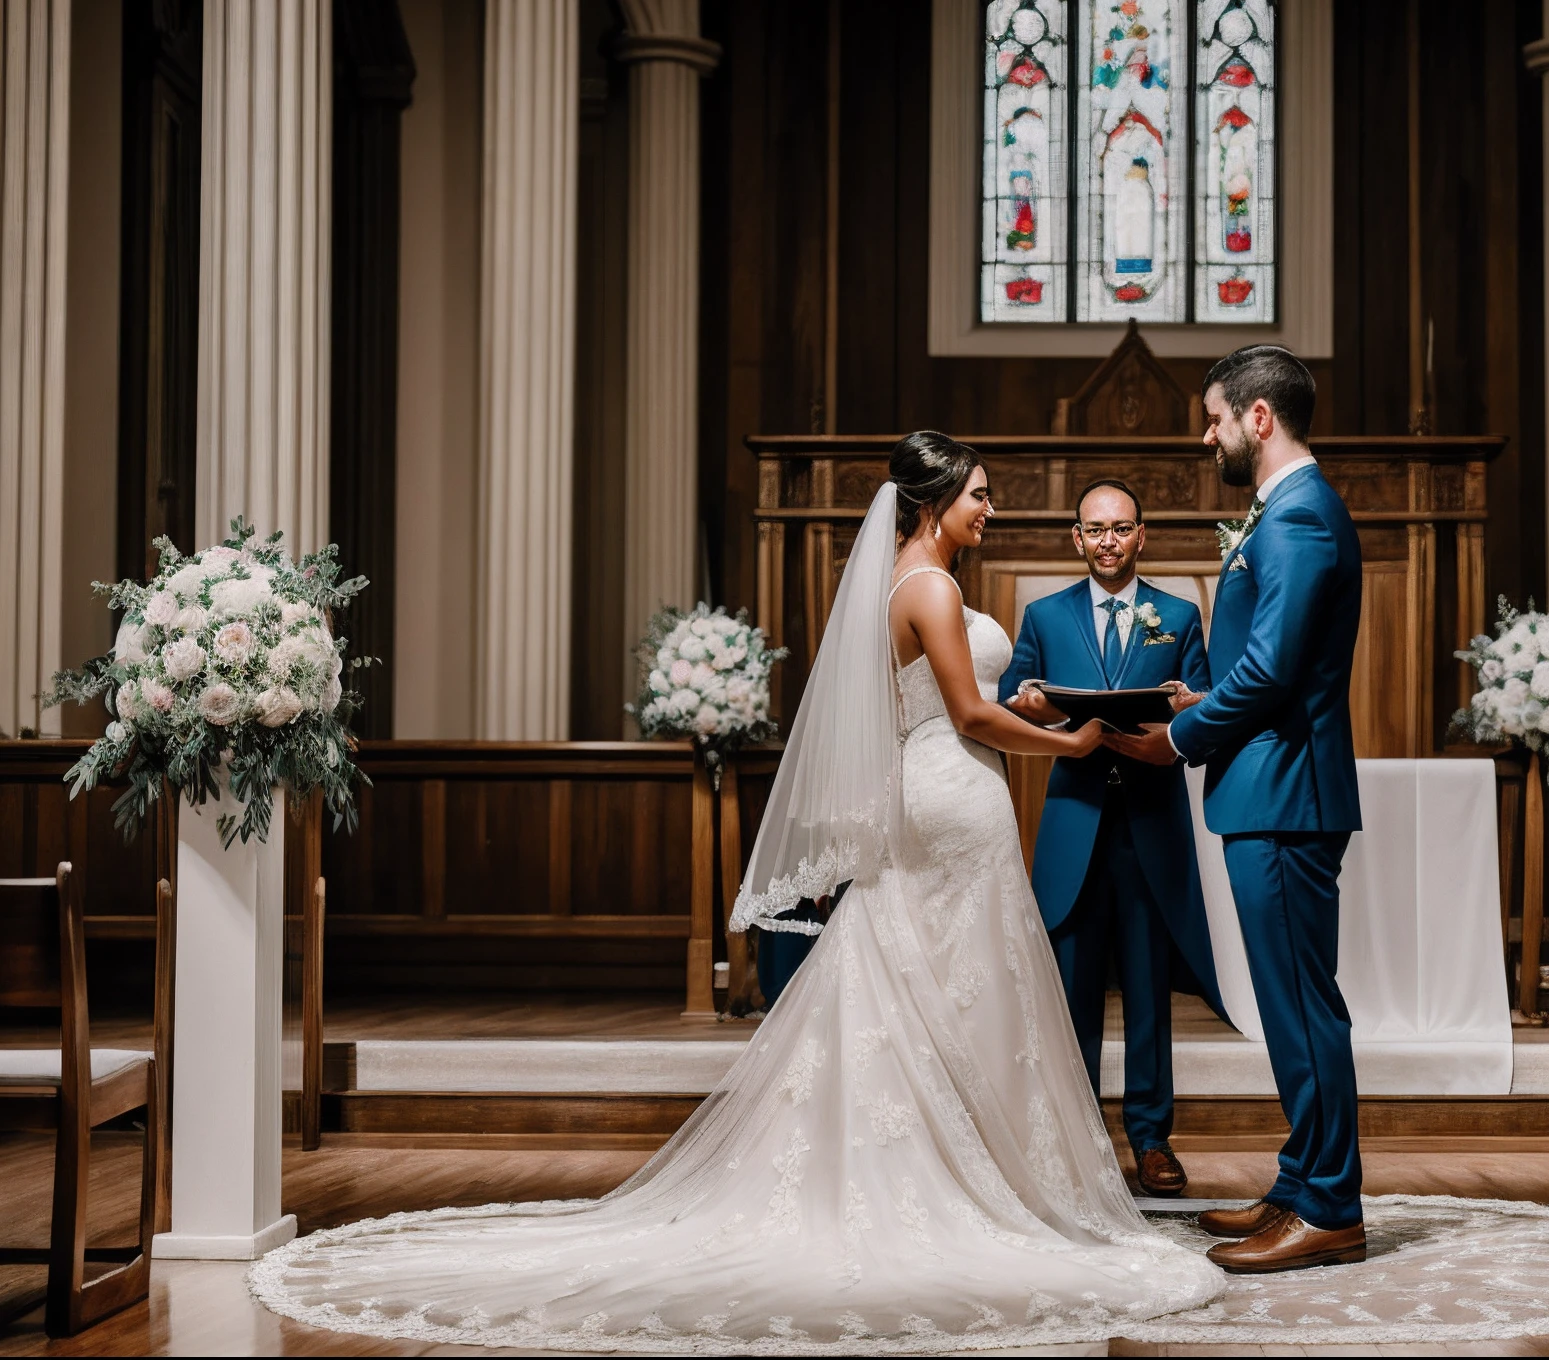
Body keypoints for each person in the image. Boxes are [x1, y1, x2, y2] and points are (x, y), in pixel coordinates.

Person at [250, 432, 1223, 1353]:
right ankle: (964, 1174)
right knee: (959, 981)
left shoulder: (913, 580)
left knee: (936, 984)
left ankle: (955, 1157)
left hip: (941, 791)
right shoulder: (925, 584)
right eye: (977, 495)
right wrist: (1069, 742)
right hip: (950, 792)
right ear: (933, 502)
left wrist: (1039, 722)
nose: (990, 508)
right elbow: (967, 710)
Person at [1106, 346, 1367, 1274]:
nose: (1207, 434)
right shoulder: (1289, 512)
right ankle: (1302, 1181)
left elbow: (1272, 671)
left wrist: (1176, 741)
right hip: (1272, 787)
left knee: (1302, 1009)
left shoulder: (1299, 518)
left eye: (1215, 417)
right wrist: (1196, 708)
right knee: (1290, 1004)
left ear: (1259, 417)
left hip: (1286, 793)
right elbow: (1264, 663)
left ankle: (1332, 1208)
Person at [999, 478, 1219, 1200]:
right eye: (1095, 529)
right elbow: (1018, 706)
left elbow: (1205, 705)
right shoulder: (1044, 614)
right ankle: (1077, 1139)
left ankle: (1152, 1140)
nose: (1108, 541)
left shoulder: (1180, 613)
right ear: (1077, 538)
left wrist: (1189, 711)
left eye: (1121, 528)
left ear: (1141, 535)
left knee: (1150, 992)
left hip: (1150, 824)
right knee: (1072, 991)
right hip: (1075, 822)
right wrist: (1030, 707)